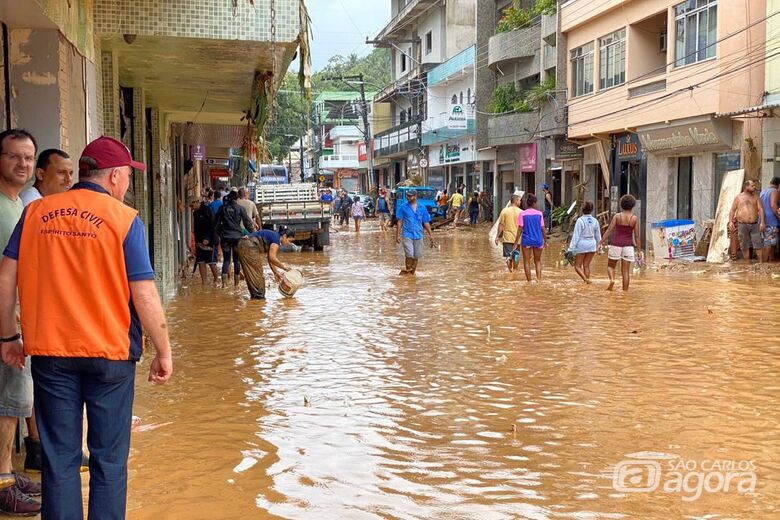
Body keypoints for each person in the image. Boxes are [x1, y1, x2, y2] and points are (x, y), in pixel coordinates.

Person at [0, 135, 173, 519]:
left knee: (59, 459)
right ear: (113, 177)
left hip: (50, 354)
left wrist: (9, 336)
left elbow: (5, 278)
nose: (128, 184)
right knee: (108, 461)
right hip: (110, 356)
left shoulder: (35, 213)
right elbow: (144, 296)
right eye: (128, 176)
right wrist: (163, 350)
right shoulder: (124, 219)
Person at [0, 129, 40, 515]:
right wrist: (7, 331)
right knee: (8, 403)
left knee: (14, 402)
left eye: (27, 157)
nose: (23, 165)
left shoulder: (20, 207)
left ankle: (9, 472)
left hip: (18, 323)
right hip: (5, 327)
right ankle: (4, 483)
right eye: (14, 157)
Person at [598, 194, 642, 291]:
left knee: (610, 266)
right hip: (628, 247)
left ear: (621, 205)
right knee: (625, 271)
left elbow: (609, 230)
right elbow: (637, 236)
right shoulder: (634, 218)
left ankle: (612, 280)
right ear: (633, 206)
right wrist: (639, 251)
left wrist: (600, 243)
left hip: (615, 245)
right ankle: (625, 293)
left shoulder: (617, 216)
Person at [238, 228, 296, 299]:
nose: (289, 243)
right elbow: (272, 258)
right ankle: (258, 301)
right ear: (284, 236)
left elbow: (270, 259)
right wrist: (285, 267)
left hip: (242, 244)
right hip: (249, 246)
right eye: (289, 241)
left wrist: (275, 273)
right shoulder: (276, 241)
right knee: (257, 277)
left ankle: (254, 301)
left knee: (252, 275)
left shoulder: (274, 236)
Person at [215, 190, 254, 287]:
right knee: (236, 260)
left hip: (225, 237)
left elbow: (216, 224)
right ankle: (236, 285)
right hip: (237, 237)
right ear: (237, 198)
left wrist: (220, 233)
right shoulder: (240, 209)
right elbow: (247, 223)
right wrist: (253, 234)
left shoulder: (222, 208)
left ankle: (224, 285)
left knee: (226, 260)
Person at [396, 189, 437, 275]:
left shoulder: (422, 207)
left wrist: (431, 235)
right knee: (409, 254)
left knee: (416, 255)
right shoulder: (403, 207)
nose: (408, 197)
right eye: (407, 195)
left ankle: (412, 273)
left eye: (410, 196)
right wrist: (398, 235)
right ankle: (408, 272)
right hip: (407, 234)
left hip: (419, 234)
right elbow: (399, 221)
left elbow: (426, 222)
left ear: (415, 196)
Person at [729, 179, 766, 262]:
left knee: (758, 244)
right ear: (746, 186)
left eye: (754, 186)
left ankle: (760, 263)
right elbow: (732, 210)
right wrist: (730, 221)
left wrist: (762, 222)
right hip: (742, 224)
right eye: (752, 186)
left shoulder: (756, 197)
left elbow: (760, 209)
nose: (754, 187)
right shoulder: (739, 198)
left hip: (755, 224)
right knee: (744, 245)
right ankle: (746, 263)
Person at [512, 193, 547, 281]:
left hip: (526, 241)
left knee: (526, 261)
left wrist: (515, 243)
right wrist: (546, 241)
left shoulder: (522, 214)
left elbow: (520, 229)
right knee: (537, 261)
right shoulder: (539, 214)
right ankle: (538, 280)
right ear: (534, 203)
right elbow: (542, 229)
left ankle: (529, 281)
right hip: (538, 240)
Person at [189, 196, 220, 284]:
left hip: (209, 241)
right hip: (199, 241)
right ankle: (204, 282)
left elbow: (212, 226)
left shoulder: (207, 210)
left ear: (197, 202)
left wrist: (208, 238)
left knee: (211, 262)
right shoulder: (195, 213)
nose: (191, 208)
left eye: (192, 205)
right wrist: (195, 242)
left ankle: (216, 281)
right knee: (200, 261)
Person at [568, 201, 601, 284]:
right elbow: (598, 235)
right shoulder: (595, 221)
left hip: (582, 245)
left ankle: (586, 280)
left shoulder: (580, 220)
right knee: (586, 265)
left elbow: (576, 236)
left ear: (582, 209)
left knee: (577, 266)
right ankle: (586, 283)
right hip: (592, 245)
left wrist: (571, 249)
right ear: (592, 210)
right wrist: (599, 246)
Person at [494, 194, 522, 273]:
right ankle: (515, 270)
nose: (520, 202)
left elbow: (501, 225)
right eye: (519, 200)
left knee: (508, 256)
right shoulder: (521, 212)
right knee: (516, 255)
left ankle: (510, 271)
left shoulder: (504, 211)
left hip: (507, 238)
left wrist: (497, 236)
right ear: (516, 201)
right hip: (518, 239)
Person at [760, 177, 780, 262]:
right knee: (768, 242)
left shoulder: (763, 191)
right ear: (778, 185)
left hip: (763, 219)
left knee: (770, 241)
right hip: (771, 220)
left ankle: (770, 260)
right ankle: (763, 263)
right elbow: (773, 205)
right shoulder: (775, 192)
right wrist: (779, 216)